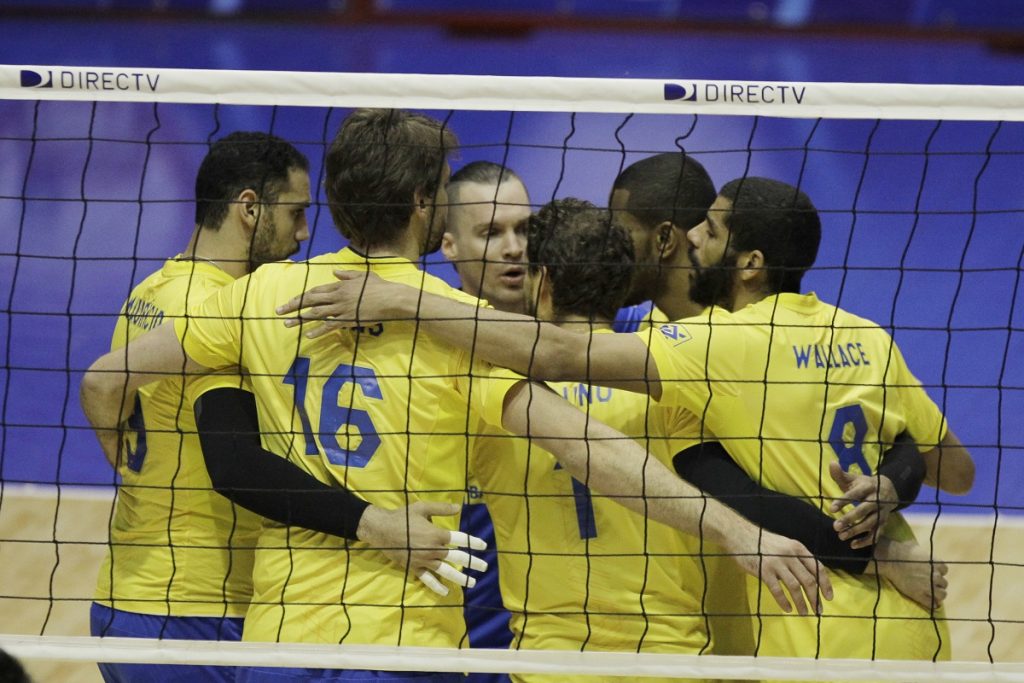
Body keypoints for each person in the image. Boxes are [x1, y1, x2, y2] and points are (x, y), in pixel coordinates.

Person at [82, 111, 834, 680]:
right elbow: (588, 445)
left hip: (280, 639)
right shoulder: (462, 331)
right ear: (422, 204)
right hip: (403, 643)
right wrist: (739, 530)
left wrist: (120, 443)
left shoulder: (262, 294)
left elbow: (105, 378)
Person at [279, 176, 973, 663]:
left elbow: (556, 351)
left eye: (711, 227)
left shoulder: (486, 393)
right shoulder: (685, 395)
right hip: (696, 656)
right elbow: (948, 463)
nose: (696, 237)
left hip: (545, 659)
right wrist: (885, 520)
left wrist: (402, 303)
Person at [88, 131, 311, 683]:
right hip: (195, 611)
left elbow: (102, 389)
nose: (303, 234)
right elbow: (233, 462)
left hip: (128, 596)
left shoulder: (151, 289)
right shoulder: (216, 311)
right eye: (296, 214)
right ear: (249, 208)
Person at [443, 161, 531, 677]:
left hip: (552, 654)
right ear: (449, 245)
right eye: (491, 232)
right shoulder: (419, 348)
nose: (514, 246)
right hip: (446, 651)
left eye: (523, 228)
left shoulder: (595, 340)